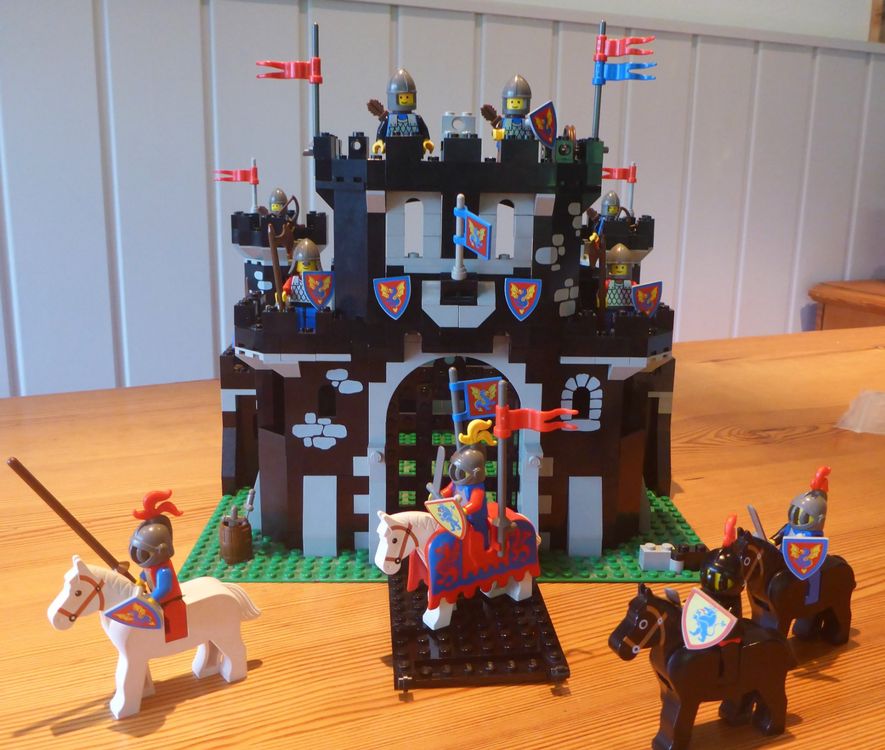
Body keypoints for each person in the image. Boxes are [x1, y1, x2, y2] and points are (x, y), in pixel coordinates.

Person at [129, 490, 187, 642]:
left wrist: (152, 600)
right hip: (157, 600)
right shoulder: (151, 567)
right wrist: (140, 581)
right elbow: (145, 573)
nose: (137, 554)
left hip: (168, 602)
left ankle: (174, 638)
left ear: (160, 550)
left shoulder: (163, 570)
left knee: (172, 622)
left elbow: (164, 588)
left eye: (142, 552)